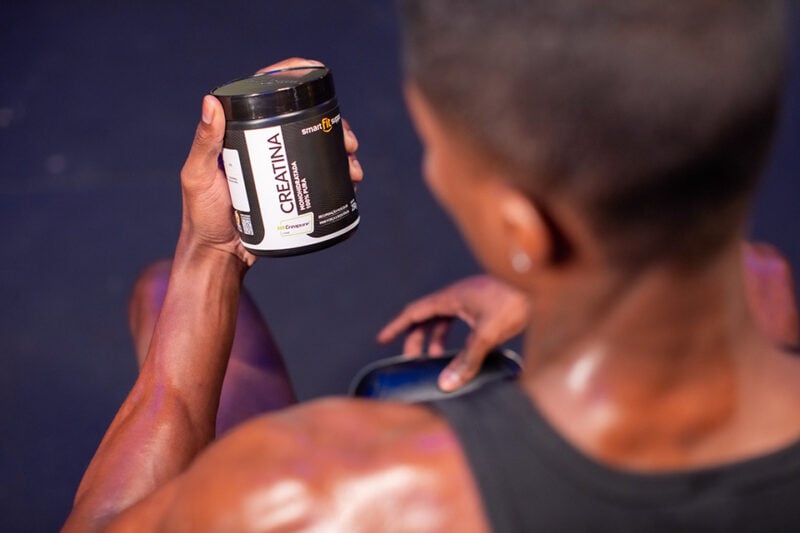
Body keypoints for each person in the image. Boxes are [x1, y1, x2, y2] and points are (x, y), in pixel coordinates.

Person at [64, 1, 800, 531]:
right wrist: (558, 283)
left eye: (438, 153)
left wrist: (211, 256)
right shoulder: (769, 297)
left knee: (161, 291)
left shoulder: (314, 495)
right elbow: (748, 266)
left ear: (522, 227)